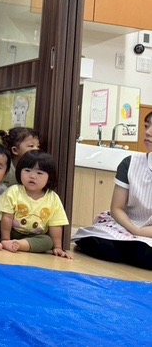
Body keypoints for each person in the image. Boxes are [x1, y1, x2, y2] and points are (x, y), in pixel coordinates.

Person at [72, 110, 152, 270]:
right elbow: (117, 208)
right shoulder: (130, 163)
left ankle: (132, 251)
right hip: (125, 224)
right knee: (100, 243)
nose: (148, 132)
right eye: (147, 126)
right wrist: (134, 229)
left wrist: (143, 233)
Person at [0, 150, 72, 258]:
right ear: (19, 172)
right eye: (27, 170)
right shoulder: (14, 191)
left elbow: (55, 224)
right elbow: (7, 217)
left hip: (33, 236)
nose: (32, 176)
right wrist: (5, 239)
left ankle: (19, 244)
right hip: (10, 230)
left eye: (39, 173)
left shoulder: (53, 198)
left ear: (49, 178)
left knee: (48, 241)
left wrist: (58, 247)